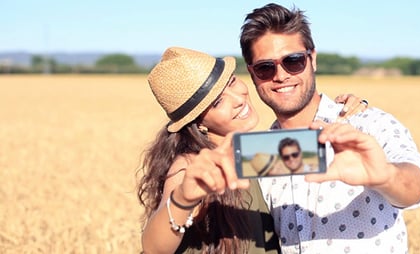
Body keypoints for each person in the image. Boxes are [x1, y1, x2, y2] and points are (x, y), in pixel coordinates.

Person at [239, 3, 420, 253]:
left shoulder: (365, 123)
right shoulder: (260, 154)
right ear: (252, 73)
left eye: (293, 61)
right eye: (265, 67)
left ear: (312, 59)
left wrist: (385, 176)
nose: (280, 75)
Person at [136, 46, 367, 253]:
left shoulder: (254, 151)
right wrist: (184, 198)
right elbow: (154, 248)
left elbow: (320, 153)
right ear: (197, 122)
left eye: (232, 82)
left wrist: (343, 110)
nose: (238, 98)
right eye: (217, 102)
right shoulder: (192, 164)